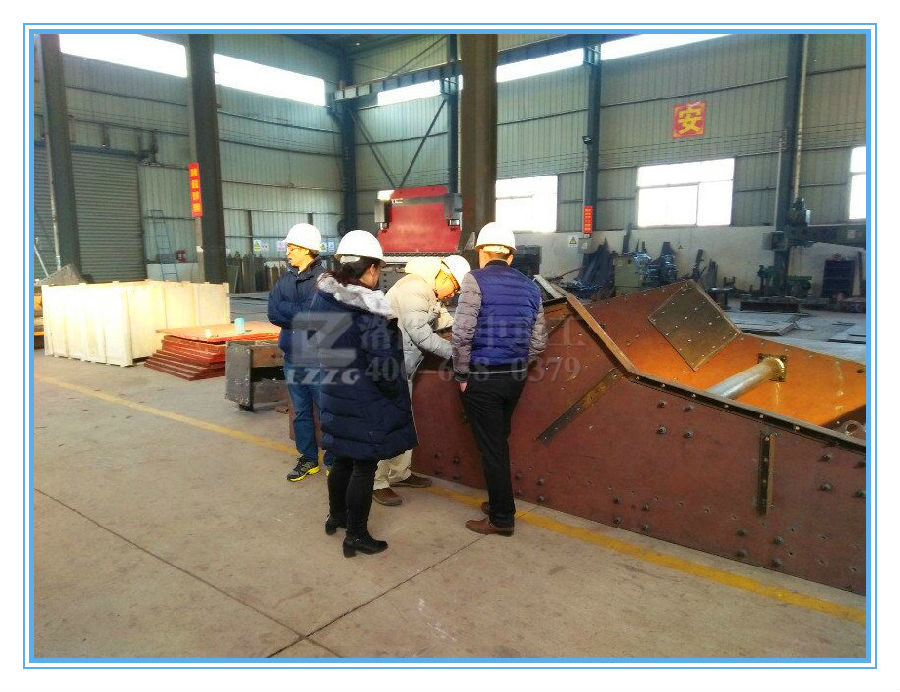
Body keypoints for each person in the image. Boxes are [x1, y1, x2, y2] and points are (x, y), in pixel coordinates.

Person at [309, 230, 417, 556]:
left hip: (334, 391)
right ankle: (356, 535)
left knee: (341, 458)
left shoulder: (323, 298)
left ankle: (336, 517)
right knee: (364, 466)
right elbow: (385, 368)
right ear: (370, 268)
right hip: (364, 400)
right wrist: (394, 393)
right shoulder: (371, 311)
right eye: (378, 269)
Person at [451, 222, 548, 536]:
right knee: (498, 442)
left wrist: (462, 375)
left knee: (492, 448)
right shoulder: (531, 287)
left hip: (483, 378)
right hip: (515, 378)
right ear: (511, 256)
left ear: (482, 252)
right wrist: (518, 363)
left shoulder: (474, 280)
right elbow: (539, 342)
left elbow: (461, 334)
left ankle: (502, 518)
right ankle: (498, 503)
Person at [372, 254, 471, 506]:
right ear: (444, 275)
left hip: (402, 368)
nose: (452, 294)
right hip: (388, 368)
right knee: (387, 424)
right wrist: (457, 354)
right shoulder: (415, 288)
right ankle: (377, 482)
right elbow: (420, 334)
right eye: (455, 287)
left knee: (402, 422)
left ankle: (399, 473)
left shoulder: (429, 292)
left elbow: (446, 321)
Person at [267, 223, 333, 482]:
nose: (288, 252)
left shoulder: (324, 280)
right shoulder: (285, 279)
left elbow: (314, 316)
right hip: (292, 357)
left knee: (326, 410)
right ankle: (308, 458)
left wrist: (289, 310)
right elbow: (273, 312)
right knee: (301, 412)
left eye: (292, 248)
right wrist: (298, 313)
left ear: (307, 250)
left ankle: (333, 459)